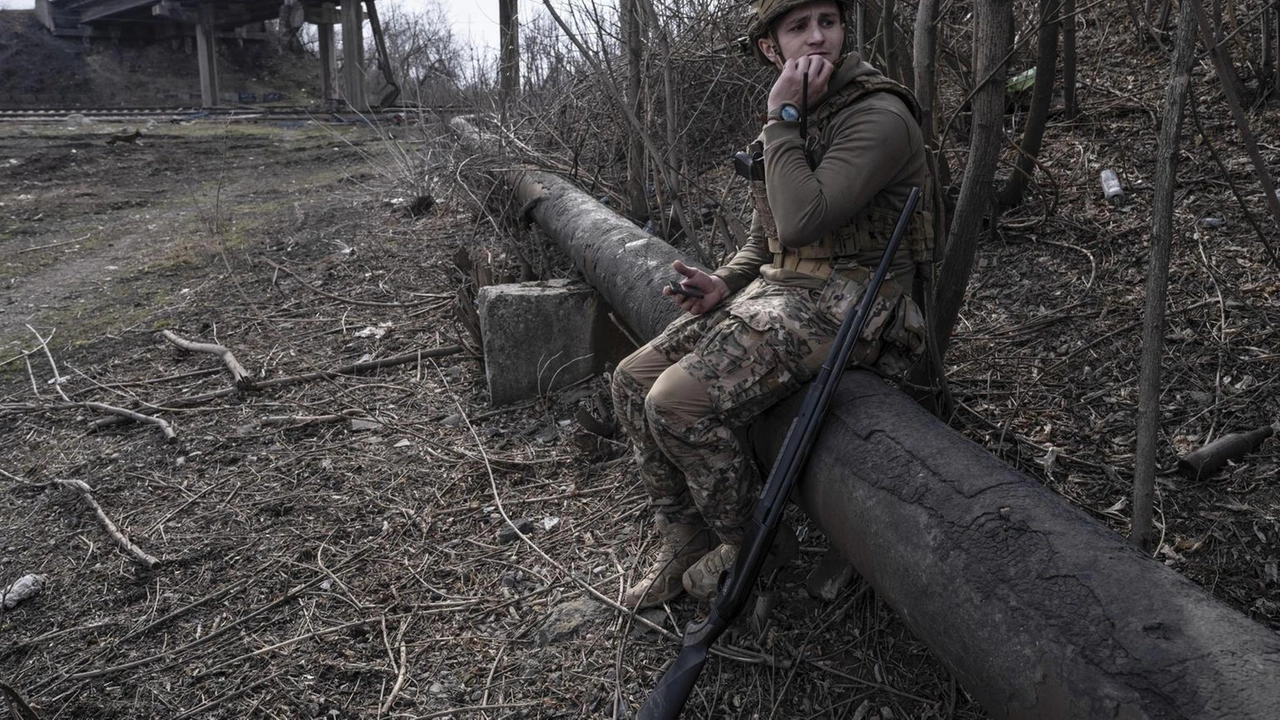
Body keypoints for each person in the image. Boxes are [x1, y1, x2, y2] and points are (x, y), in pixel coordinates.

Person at [612, 0, 934, 609]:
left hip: (857, 299)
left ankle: (754, 542)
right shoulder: (797, 116)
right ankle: (684, 535)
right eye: (798, 27)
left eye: (829, 22)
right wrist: (725, 282)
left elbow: (803, 217)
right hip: (784, 289)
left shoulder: (878, 115)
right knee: (632, 381)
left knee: (675, 402)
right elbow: (770, 237)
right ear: (771, 48)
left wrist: (780, 118)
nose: (818, 38)